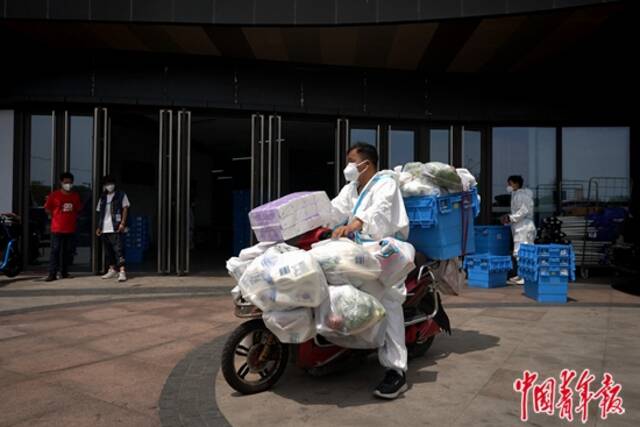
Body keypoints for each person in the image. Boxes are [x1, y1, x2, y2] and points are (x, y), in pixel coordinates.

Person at [331, 142, 410, 400]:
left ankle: (397, 371)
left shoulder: (385, 183)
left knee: (389, 303)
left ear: (366, 163)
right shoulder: (351, 188)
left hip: (386, 251)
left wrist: (355, 223)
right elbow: (334, 211)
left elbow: (381, 211)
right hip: (360, 252)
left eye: (351, 161)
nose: (348, 167)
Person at [43, 172, 82, 282]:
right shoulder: (54, 195)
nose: (68, 184)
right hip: (57, 228)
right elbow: (47, 208)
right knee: (55, 251)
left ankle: (64, 272)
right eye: (66, 182)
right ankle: (52, 273)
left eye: (70, 182)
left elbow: (78, 209)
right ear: (61, 183)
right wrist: (52, 217)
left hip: (70, 229)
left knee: (67, 251)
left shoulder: (75, 196)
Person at [501, 175, 536, 285]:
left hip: (524, 227)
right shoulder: (516, 195)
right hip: (520, 227)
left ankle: (525, 276)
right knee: (518, 252)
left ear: (516, 184)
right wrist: (510, 219)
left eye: (510, 184)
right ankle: (521, 274)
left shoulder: (522, 195)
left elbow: (524, 211)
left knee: (523, 252)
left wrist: (511, 218)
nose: (508, 186)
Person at [96, 175, 130, 282]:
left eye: (111, 183)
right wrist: (99, 227)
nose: (109, 186)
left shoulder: (121, 195)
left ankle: (122, 271)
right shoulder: (102, 198)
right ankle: (112, 270)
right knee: (108, 251)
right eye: (107, 184)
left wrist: (122, 223)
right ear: (104, 186)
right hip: (104, 228)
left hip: (116, 227)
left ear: (114, 184)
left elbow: (125, 208)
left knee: (119, 250)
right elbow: (100, 213)